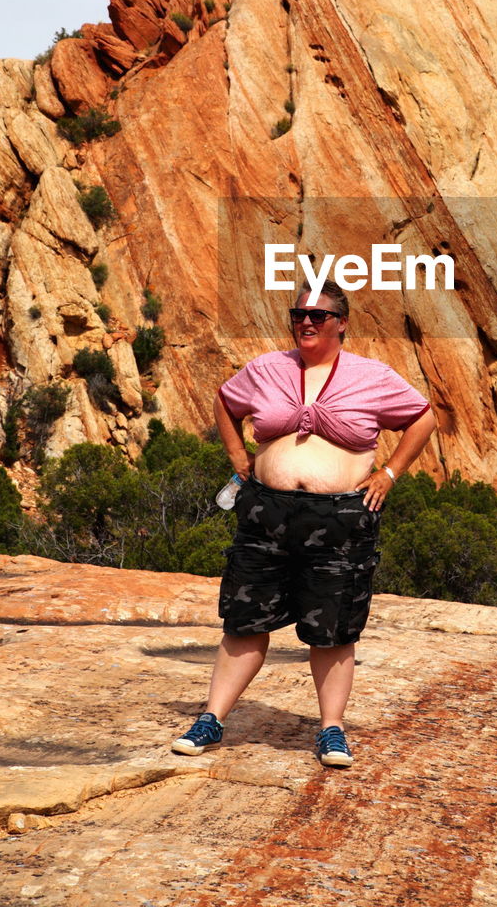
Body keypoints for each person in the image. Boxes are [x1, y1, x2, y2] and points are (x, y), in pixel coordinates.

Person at [171, 281, 436, 767]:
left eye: (318, 315)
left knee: (333, 630)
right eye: (299, 314)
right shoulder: (268, 368)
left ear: (342, 323)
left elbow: (422, 418)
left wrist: (390, 473)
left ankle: (331, 730)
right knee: (245, 620)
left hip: (338, 520)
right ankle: (211, 720)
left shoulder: (372, 376)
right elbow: (225, 404)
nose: (306, 322)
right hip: (265, 514)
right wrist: (237, 455)